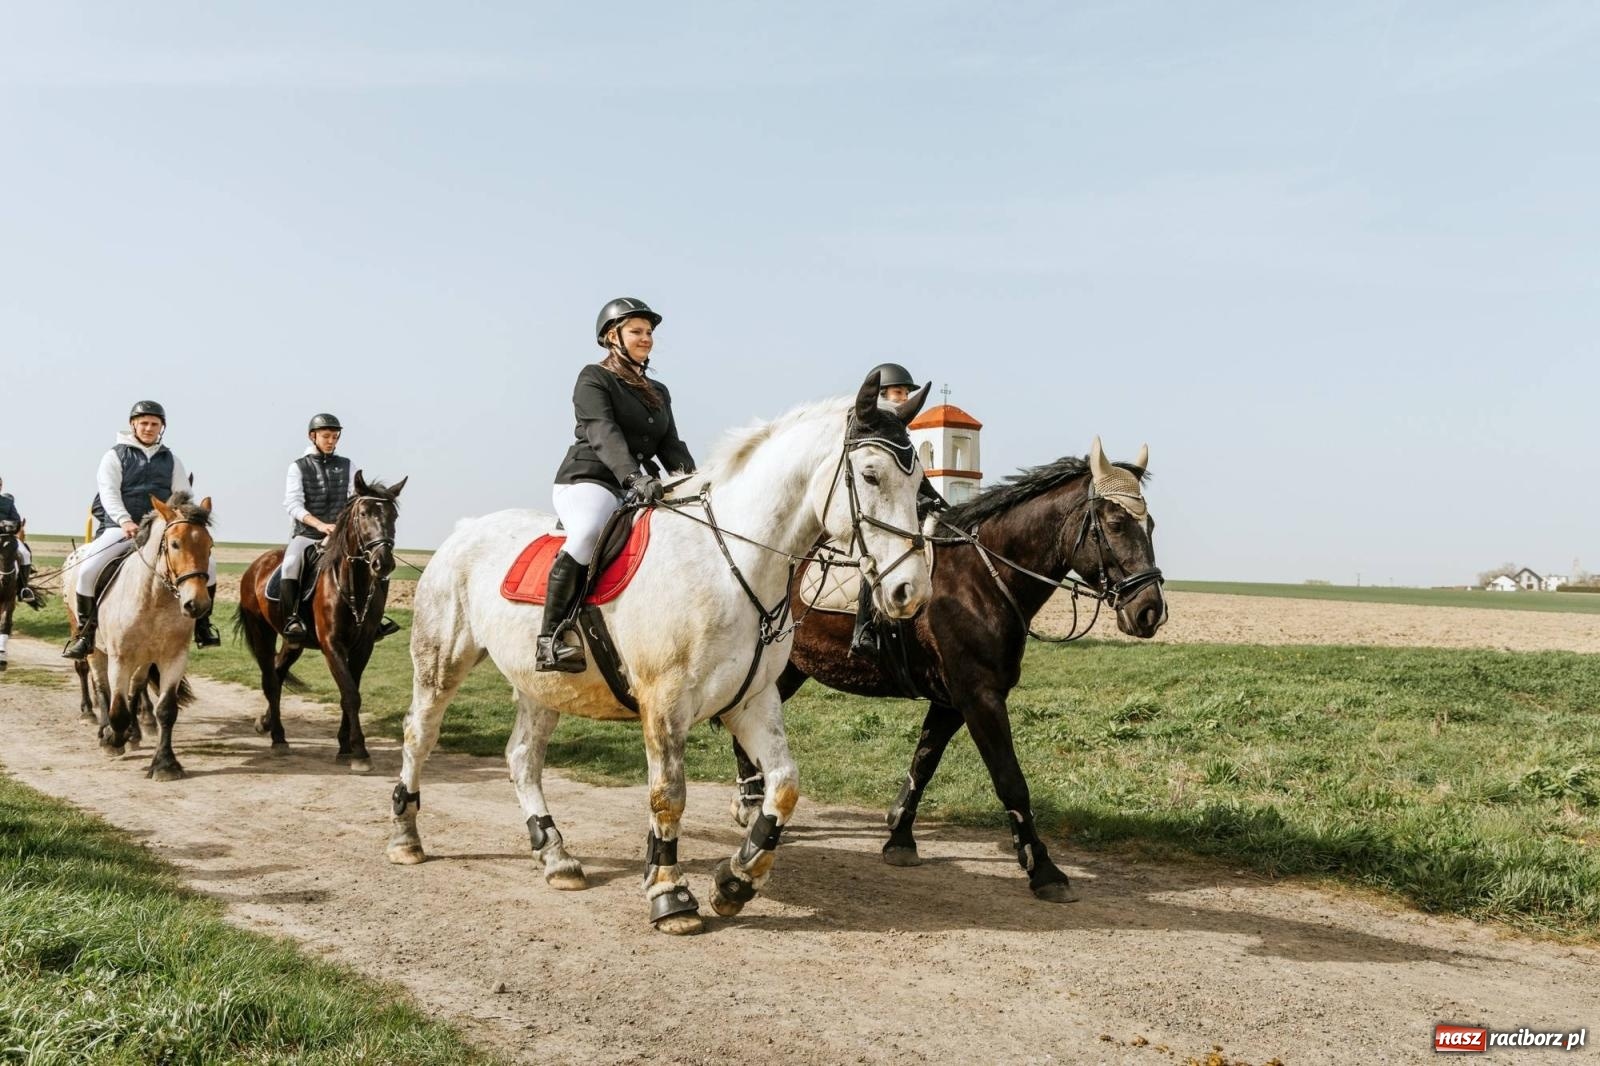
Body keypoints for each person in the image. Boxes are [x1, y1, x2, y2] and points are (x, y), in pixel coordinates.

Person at [541, 297, 696, 672]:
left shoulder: (658, 390)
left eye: (649, 332)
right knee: (589, 532)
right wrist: (634, 476)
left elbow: (669, 444)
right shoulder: (593, 378)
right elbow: (602, 432)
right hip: (589, 480)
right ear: (613, 337)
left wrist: (696, 482)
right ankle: (550, 638)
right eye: (636, 332)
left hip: (636, 485)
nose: (646, 338)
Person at [63, 401, 220, 659]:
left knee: (209, 567)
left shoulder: (172, 460)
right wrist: (124, 520)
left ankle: (203, 626)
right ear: (133, 424)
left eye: (154, 424)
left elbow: (184, 496)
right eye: (144, 423)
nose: (149, 428)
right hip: (121, 528)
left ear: (162, 427)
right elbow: (109, 493)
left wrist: (181, 523)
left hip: (162, 529)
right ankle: (86, 633)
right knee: (88, 572)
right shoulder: (114, 456)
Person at [279, 413, 401, 643]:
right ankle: (292, 618)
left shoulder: (347, 465)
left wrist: (341, 528)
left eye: (335, 437)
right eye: (326, 436)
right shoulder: (297, 467)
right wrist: (320, 525)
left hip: (339, 535)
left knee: (379, 563)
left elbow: (353, 501)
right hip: (307, 533)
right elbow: (292, 503)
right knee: (292, 563)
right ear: (312, 436)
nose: (331, 441)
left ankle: (376, 619)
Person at [0, 477, 40, 607]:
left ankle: (23, 589)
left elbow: (16, 520)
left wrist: (10, 525)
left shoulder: (8, 502)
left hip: (7, 538)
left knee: (25, 554)